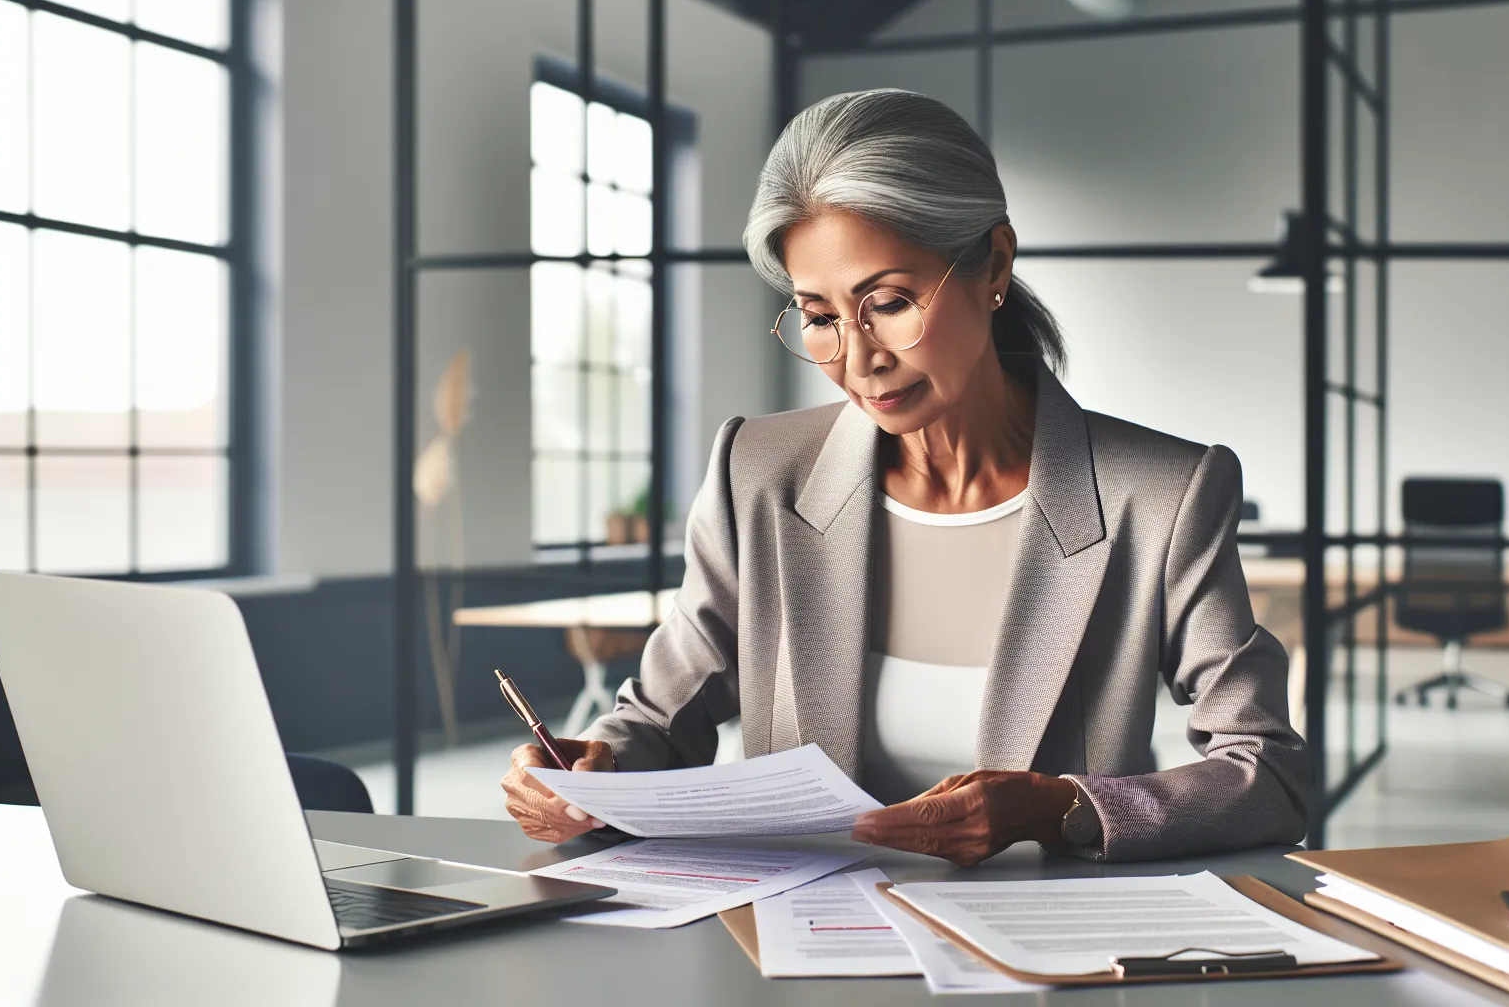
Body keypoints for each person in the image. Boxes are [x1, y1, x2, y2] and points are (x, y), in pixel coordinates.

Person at [501, 88, 1306, 866]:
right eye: (820, 317)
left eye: (887, 302)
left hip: (1040, 936)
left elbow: (1269, 774)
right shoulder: (758, 473)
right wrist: (590, 770)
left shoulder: (1161, 496)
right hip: (797, 932)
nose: (858, 360)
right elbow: (656, 722)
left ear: (995, 262)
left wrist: (1056, 808)